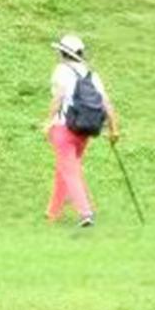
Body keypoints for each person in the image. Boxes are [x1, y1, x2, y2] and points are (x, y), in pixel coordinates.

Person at [44, 32, 116, 229]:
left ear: (63, 53)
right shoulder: (91, 75)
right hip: (84, 130)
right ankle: (52, 212)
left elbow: (58, 97)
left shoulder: (61, 70)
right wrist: (113, 129)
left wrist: (48, 121)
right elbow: (106, 103)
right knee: (64, 169)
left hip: (64, 128)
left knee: (70, 170)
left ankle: (85, 213)